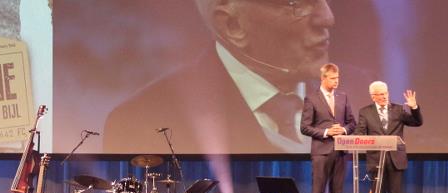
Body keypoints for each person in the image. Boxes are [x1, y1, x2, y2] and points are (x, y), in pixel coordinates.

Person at [104, 0, 340, 154]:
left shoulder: (362, 90)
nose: (327, 18)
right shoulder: (141, 122)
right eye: (296, 5)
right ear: (232, 24)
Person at [356, 81, 422, 193]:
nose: (385, 96)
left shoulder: (398, 110)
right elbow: (360, 134)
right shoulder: (365, 112)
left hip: (395, 160)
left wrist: (414, 107)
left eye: (386, 93)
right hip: (376, 161)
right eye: (380, 94)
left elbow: (417, 122)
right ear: (373, 96)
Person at [301, 63, 355, 193]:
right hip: (321, 153)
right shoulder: (311, 98)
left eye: (337, 78)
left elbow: (352, 123)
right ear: (323, 78)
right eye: (332, 78)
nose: (336, 81)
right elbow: (305, 127)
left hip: (340, 152)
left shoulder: (343, 97)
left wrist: (343, 130)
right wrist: (326, 132)